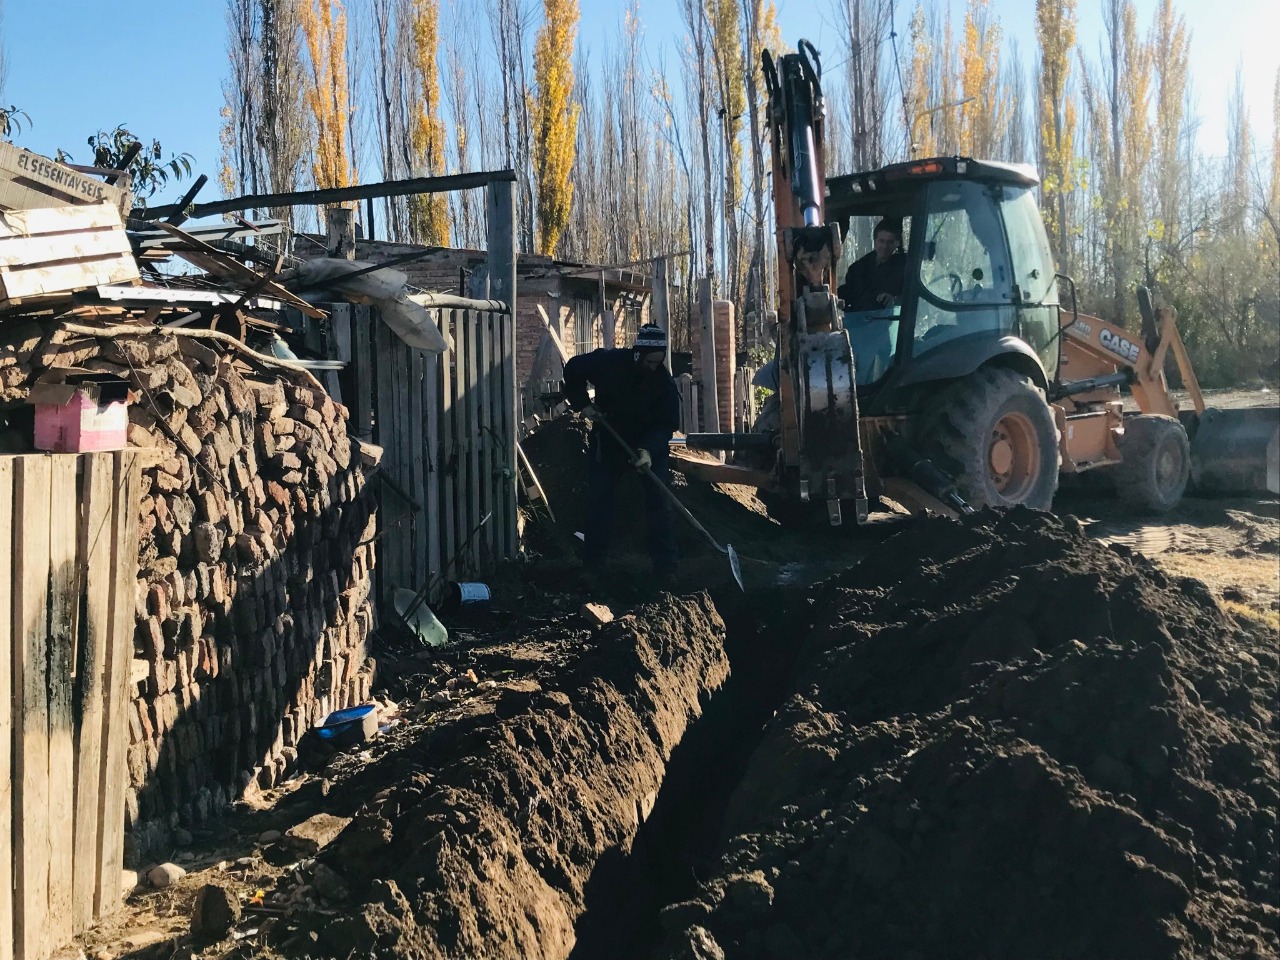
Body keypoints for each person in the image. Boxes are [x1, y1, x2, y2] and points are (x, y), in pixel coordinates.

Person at [563, 323, 680, 582]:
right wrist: (583, 404)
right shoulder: (610, 362)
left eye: (659, 362)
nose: (654, 366)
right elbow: (572, 368)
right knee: (599, 501)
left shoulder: (663, 383)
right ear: (638, 354)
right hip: (610, 441)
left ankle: (666, 567)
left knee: (659, 502)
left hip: (647, 446)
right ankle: (593, 566)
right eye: (651, 361)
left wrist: (648, 450)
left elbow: (667, 424)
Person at [837, 218, 906, 312]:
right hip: (860, 322)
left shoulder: (906, 267)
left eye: (890, 242)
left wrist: (895, 300)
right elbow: (848, 295)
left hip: (893, 321)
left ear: (897, 243)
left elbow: (913, 297)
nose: (885, 247)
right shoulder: (857, 269)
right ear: (875, 241)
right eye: (881, 241)